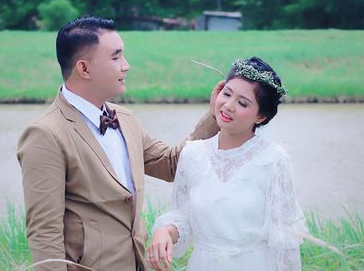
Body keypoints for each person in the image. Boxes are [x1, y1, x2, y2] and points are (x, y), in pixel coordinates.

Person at [16, 16, 222, 271]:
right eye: (116, 57)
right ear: (84, 68)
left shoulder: (124, 118)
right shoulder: (45, 135)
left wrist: (215, 115)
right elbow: (44, 233)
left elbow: (171, 164)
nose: (126, 66)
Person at [147, 57, 308, 271]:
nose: (228, 106)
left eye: (242, 103)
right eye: (227, 93)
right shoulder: (192, 154)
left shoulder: (273, 159)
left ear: (260, 116)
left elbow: (285, 241)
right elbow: (183, 217)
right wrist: (165, 231)